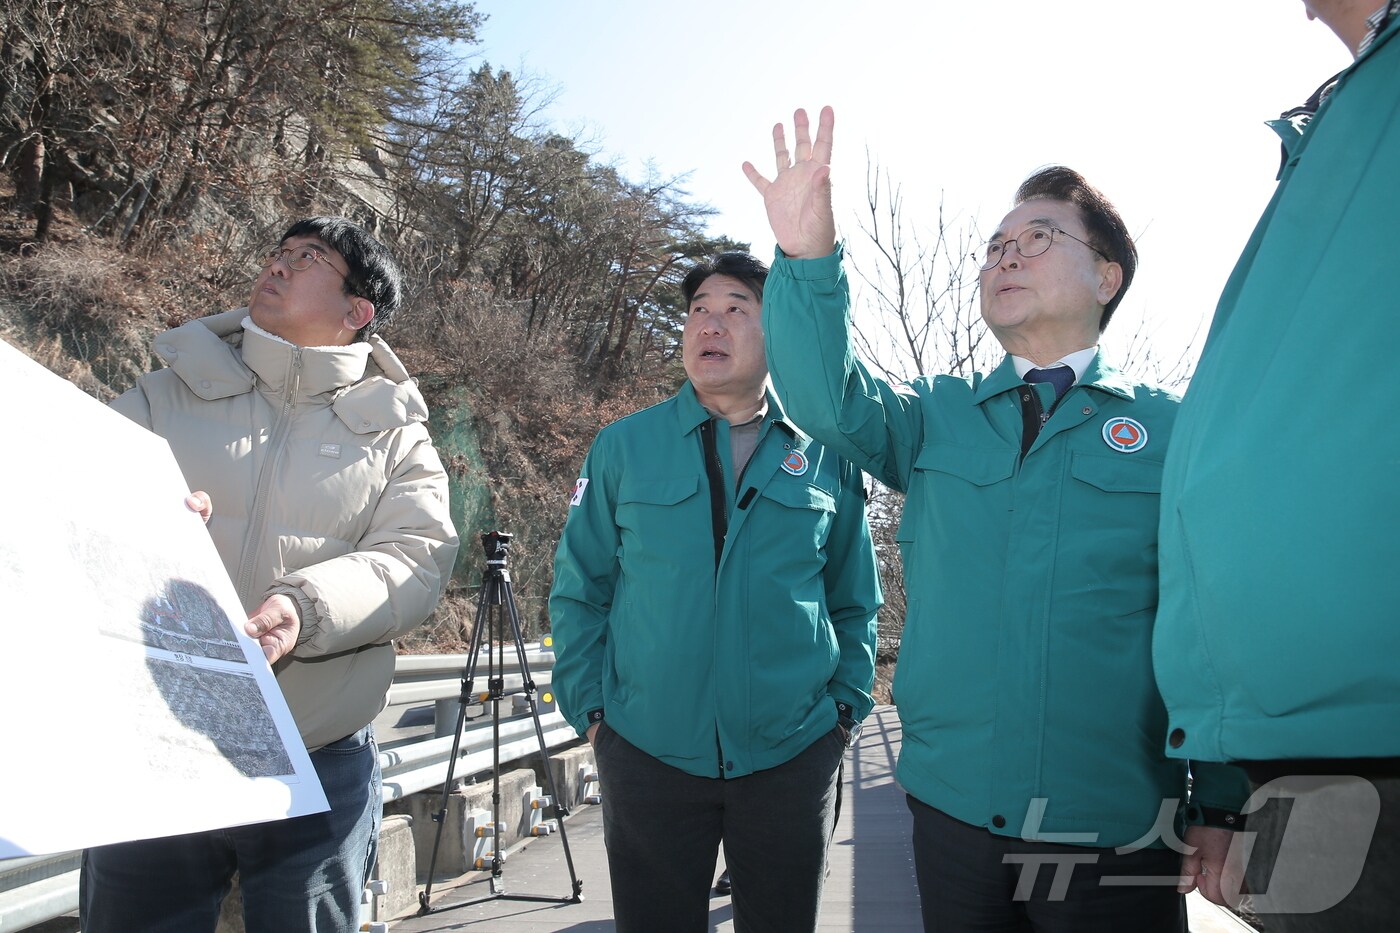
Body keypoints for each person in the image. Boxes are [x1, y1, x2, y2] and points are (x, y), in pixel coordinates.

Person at [744, 108, 1247, 932]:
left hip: (1111, 823)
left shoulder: (1172, 432)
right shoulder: (934, 415)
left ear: (1107, 278)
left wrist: (1223, 800)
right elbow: (823, 397)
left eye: (1038, 237)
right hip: (953, 813)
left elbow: (1214, 629)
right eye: (995, 245)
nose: (1005, 255)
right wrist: (806, 260)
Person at [80, 217, 460, 933]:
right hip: (158, 740)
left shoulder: (397, 434)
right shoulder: (166, 392)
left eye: (309, 258)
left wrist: (306, 608)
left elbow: (418, 556)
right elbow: (78, 493)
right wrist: (144, 515)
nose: (279, 266)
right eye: (280, 252)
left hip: (317, 749)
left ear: (358, 311)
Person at [1153, 3, 1400, 929]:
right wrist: (1223, 788)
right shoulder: (1343, 116)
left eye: (1039, 235)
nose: (1009, 255)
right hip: (1291, 754)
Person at [549, 250, 881, 933]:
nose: (710, 324)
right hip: (646, 747)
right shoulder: (623, 447)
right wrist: (594, 714)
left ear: (776, 331)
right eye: (699, 309)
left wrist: (843, 713)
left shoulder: (827, 452)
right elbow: (580, 588)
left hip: (793, 750)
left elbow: (854, 598)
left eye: (735, 309)